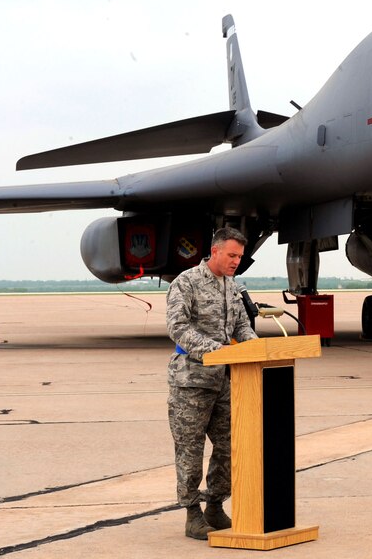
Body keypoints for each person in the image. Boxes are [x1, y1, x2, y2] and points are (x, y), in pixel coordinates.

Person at [165, 227, 257, 539]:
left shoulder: (232, 287)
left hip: (226, 381)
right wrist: (218, 350)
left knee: (229, 446)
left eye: (240, 257)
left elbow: (243, 325)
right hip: (191, 381)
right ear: (215, 252)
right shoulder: (186, 282)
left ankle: (215, 506)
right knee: (190, 448)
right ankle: (192, 513)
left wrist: (255, 348)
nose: (236, 261)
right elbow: (178, 327)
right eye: (232, 255)